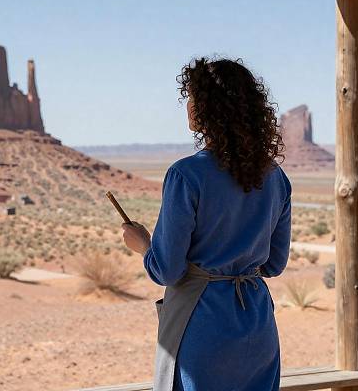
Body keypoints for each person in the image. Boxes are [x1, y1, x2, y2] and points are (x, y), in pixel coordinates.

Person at [122, 57, 291, 391]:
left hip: (201, 325)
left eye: (193, 96)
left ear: (207, 109)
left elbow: (167, 271)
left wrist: (143, 244)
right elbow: (274, 264)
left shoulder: (186, 175)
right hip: (258, 326)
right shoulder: (275, 177)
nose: (188, 104)